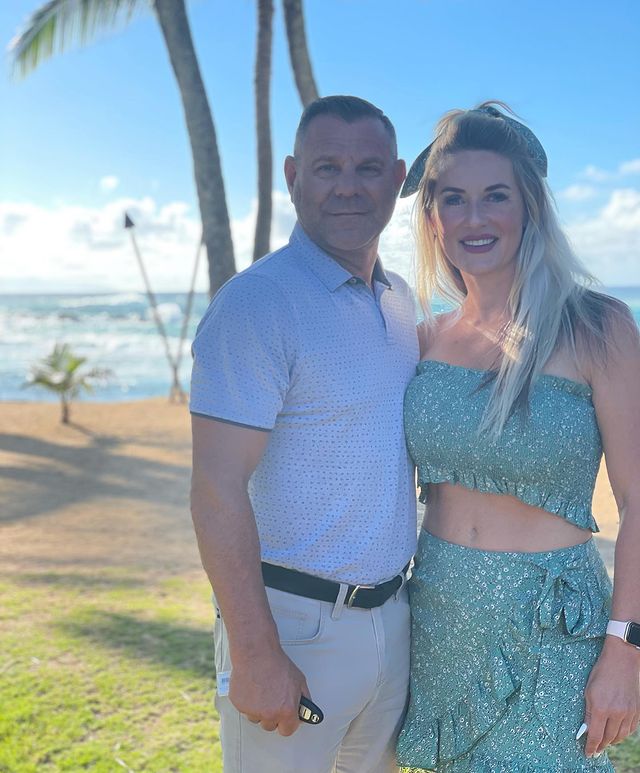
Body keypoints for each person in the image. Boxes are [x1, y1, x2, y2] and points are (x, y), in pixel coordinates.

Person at [395, 102, 640, 772]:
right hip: (439, 617)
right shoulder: (425, 337)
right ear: (433, 218)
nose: (475, 218)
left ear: (529, 206)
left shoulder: (598, 325)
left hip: (551, 632)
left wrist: (625, 647)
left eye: (495, 196)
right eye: (455, 200)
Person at [190, 95, 419, 773]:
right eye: (327, 167)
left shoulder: (402, 301)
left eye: (368, 167)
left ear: (399, 176)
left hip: (393, 618)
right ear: (292, 176)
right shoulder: (258, 303)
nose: (348, 185)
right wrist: (256, 653)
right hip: (291, 625)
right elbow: (215, 487)